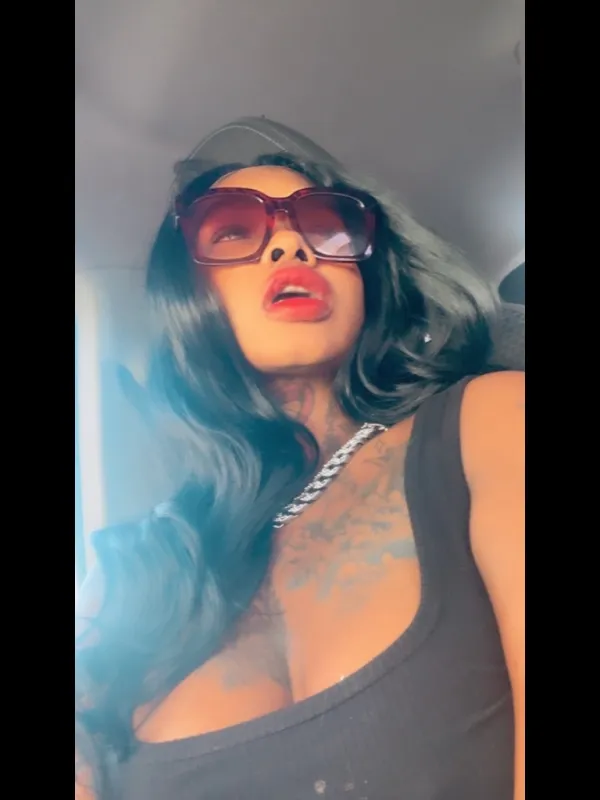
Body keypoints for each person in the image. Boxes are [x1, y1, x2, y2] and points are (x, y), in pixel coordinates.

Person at [75, 124, 524, 800]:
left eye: (326, 227)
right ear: (187, 297)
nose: (292, 245)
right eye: (233, 231)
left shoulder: (490, 422)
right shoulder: (131, 578)